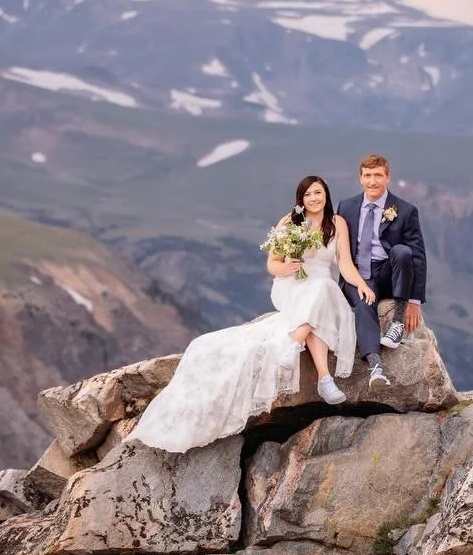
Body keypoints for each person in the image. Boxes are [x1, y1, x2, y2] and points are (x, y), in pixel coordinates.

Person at [125, 175, 376, 454]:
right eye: (308, 195)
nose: (314, 198)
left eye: (318, 193)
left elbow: (344, 263)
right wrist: (289, 267)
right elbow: (273, 265)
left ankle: (308, 359)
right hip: (292, 286)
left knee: (320, 292)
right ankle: (318, 371)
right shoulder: (290, 222)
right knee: (317, 297)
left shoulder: (337, 223)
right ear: (301, 199)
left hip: (320, 287)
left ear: (326, 194)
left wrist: (361, 284)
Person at [336, 154, 427, 387]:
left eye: (378, 175)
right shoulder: (346, 207)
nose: (372, 181)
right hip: (359, 275)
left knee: (402, 251)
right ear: (360, 179)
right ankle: (376, 366)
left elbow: (417, 256)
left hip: (388, 272)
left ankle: (396, 323)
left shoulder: (405, 210)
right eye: (367, 176)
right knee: (364, 306)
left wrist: (414, 301)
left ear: (388, 177)